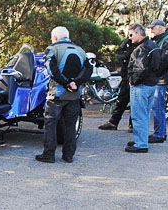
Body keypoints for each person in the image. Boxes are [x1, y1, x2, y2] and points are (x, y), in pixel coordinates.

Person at [35, 27, 92, 163]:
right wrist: (76, 83)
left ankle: (48, 155)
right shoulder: (81, 50)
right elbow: (89, 69)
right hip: (74, 96)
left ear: (55, 37)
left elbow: (52, 70)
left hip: (57, 95)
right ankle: (68, 155)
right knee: (70, 126)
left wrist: (66, 83)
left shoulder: (52, 49)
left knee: (50, 124)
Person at [125, 23, 160, 153]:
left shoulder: (142, 48)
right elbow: (157, 66)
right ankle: (141, 139)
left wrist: (133, 81)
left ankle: (141, 144)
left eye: (131, 35)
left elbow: (140, 68)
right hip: (151, 84)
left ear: (139, 33)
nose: (130, 38)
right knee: (144, 115)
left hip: (141, 86)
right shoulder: (153, 46)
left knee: (138, 115)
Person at [148, 19, 168, 144]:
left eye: (153, 28)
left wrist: (154, 73)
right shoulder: (162, 40)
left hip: (162, 78)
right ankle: (160, 132)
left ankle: (159, 134)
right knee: (158, 107)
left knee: (158, 107)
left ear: (161, 28)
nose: (151, 30)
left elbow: (165, 61)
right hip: (160, 77)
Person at [97, 36, 134, 133]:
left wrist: (126, 55)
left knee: (135, 102)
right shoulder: (127, 42)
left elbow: (129, 56)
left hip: (134, 76)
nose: (131, 36)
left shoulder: (141, 45)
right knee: (121, 100)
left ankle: (133, 124)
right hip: (126, 75)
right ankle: (113, 122)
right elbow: (119, 54)